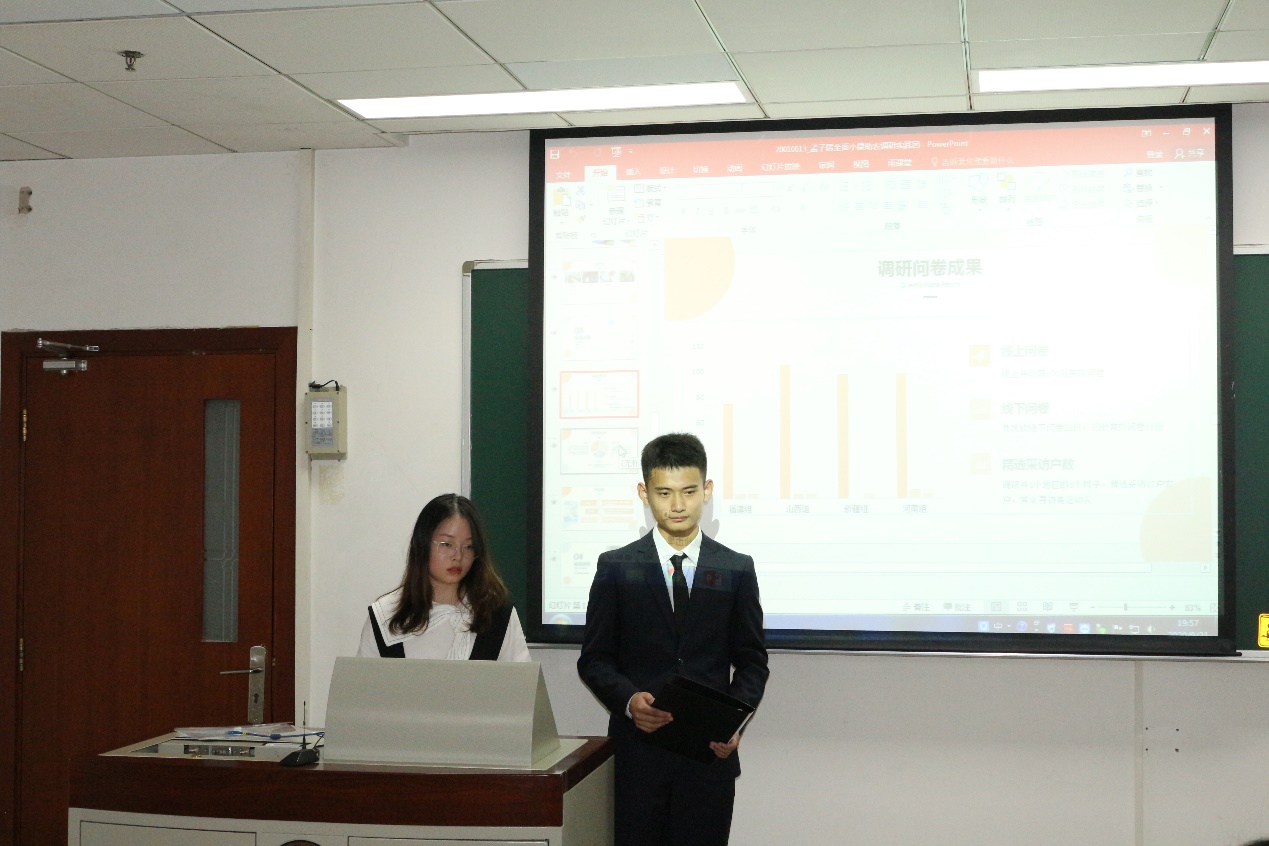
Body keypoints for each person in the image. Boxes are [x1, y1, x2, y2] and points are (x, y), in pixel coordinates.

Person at [578, 433, 769, 846]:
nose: (678, 505)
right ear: (644, 493)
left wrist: (733, 722)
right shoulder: (615, 567)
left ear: (707, 490)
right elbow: (594, 658)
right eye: (664, 493)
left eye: (689, 491)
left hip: (709, 757)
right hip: (637, 758)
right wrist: (629, 700)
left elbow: (752, 660)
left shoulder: (736, 568)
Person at [358, 493, 531, 662]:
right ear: (422, 544)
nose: (458, 556)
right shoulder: (385, 616)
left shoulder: (498, 616)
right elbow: (364, 681)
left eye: (468, 546)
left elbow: (521, 680)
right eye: (447, 544)